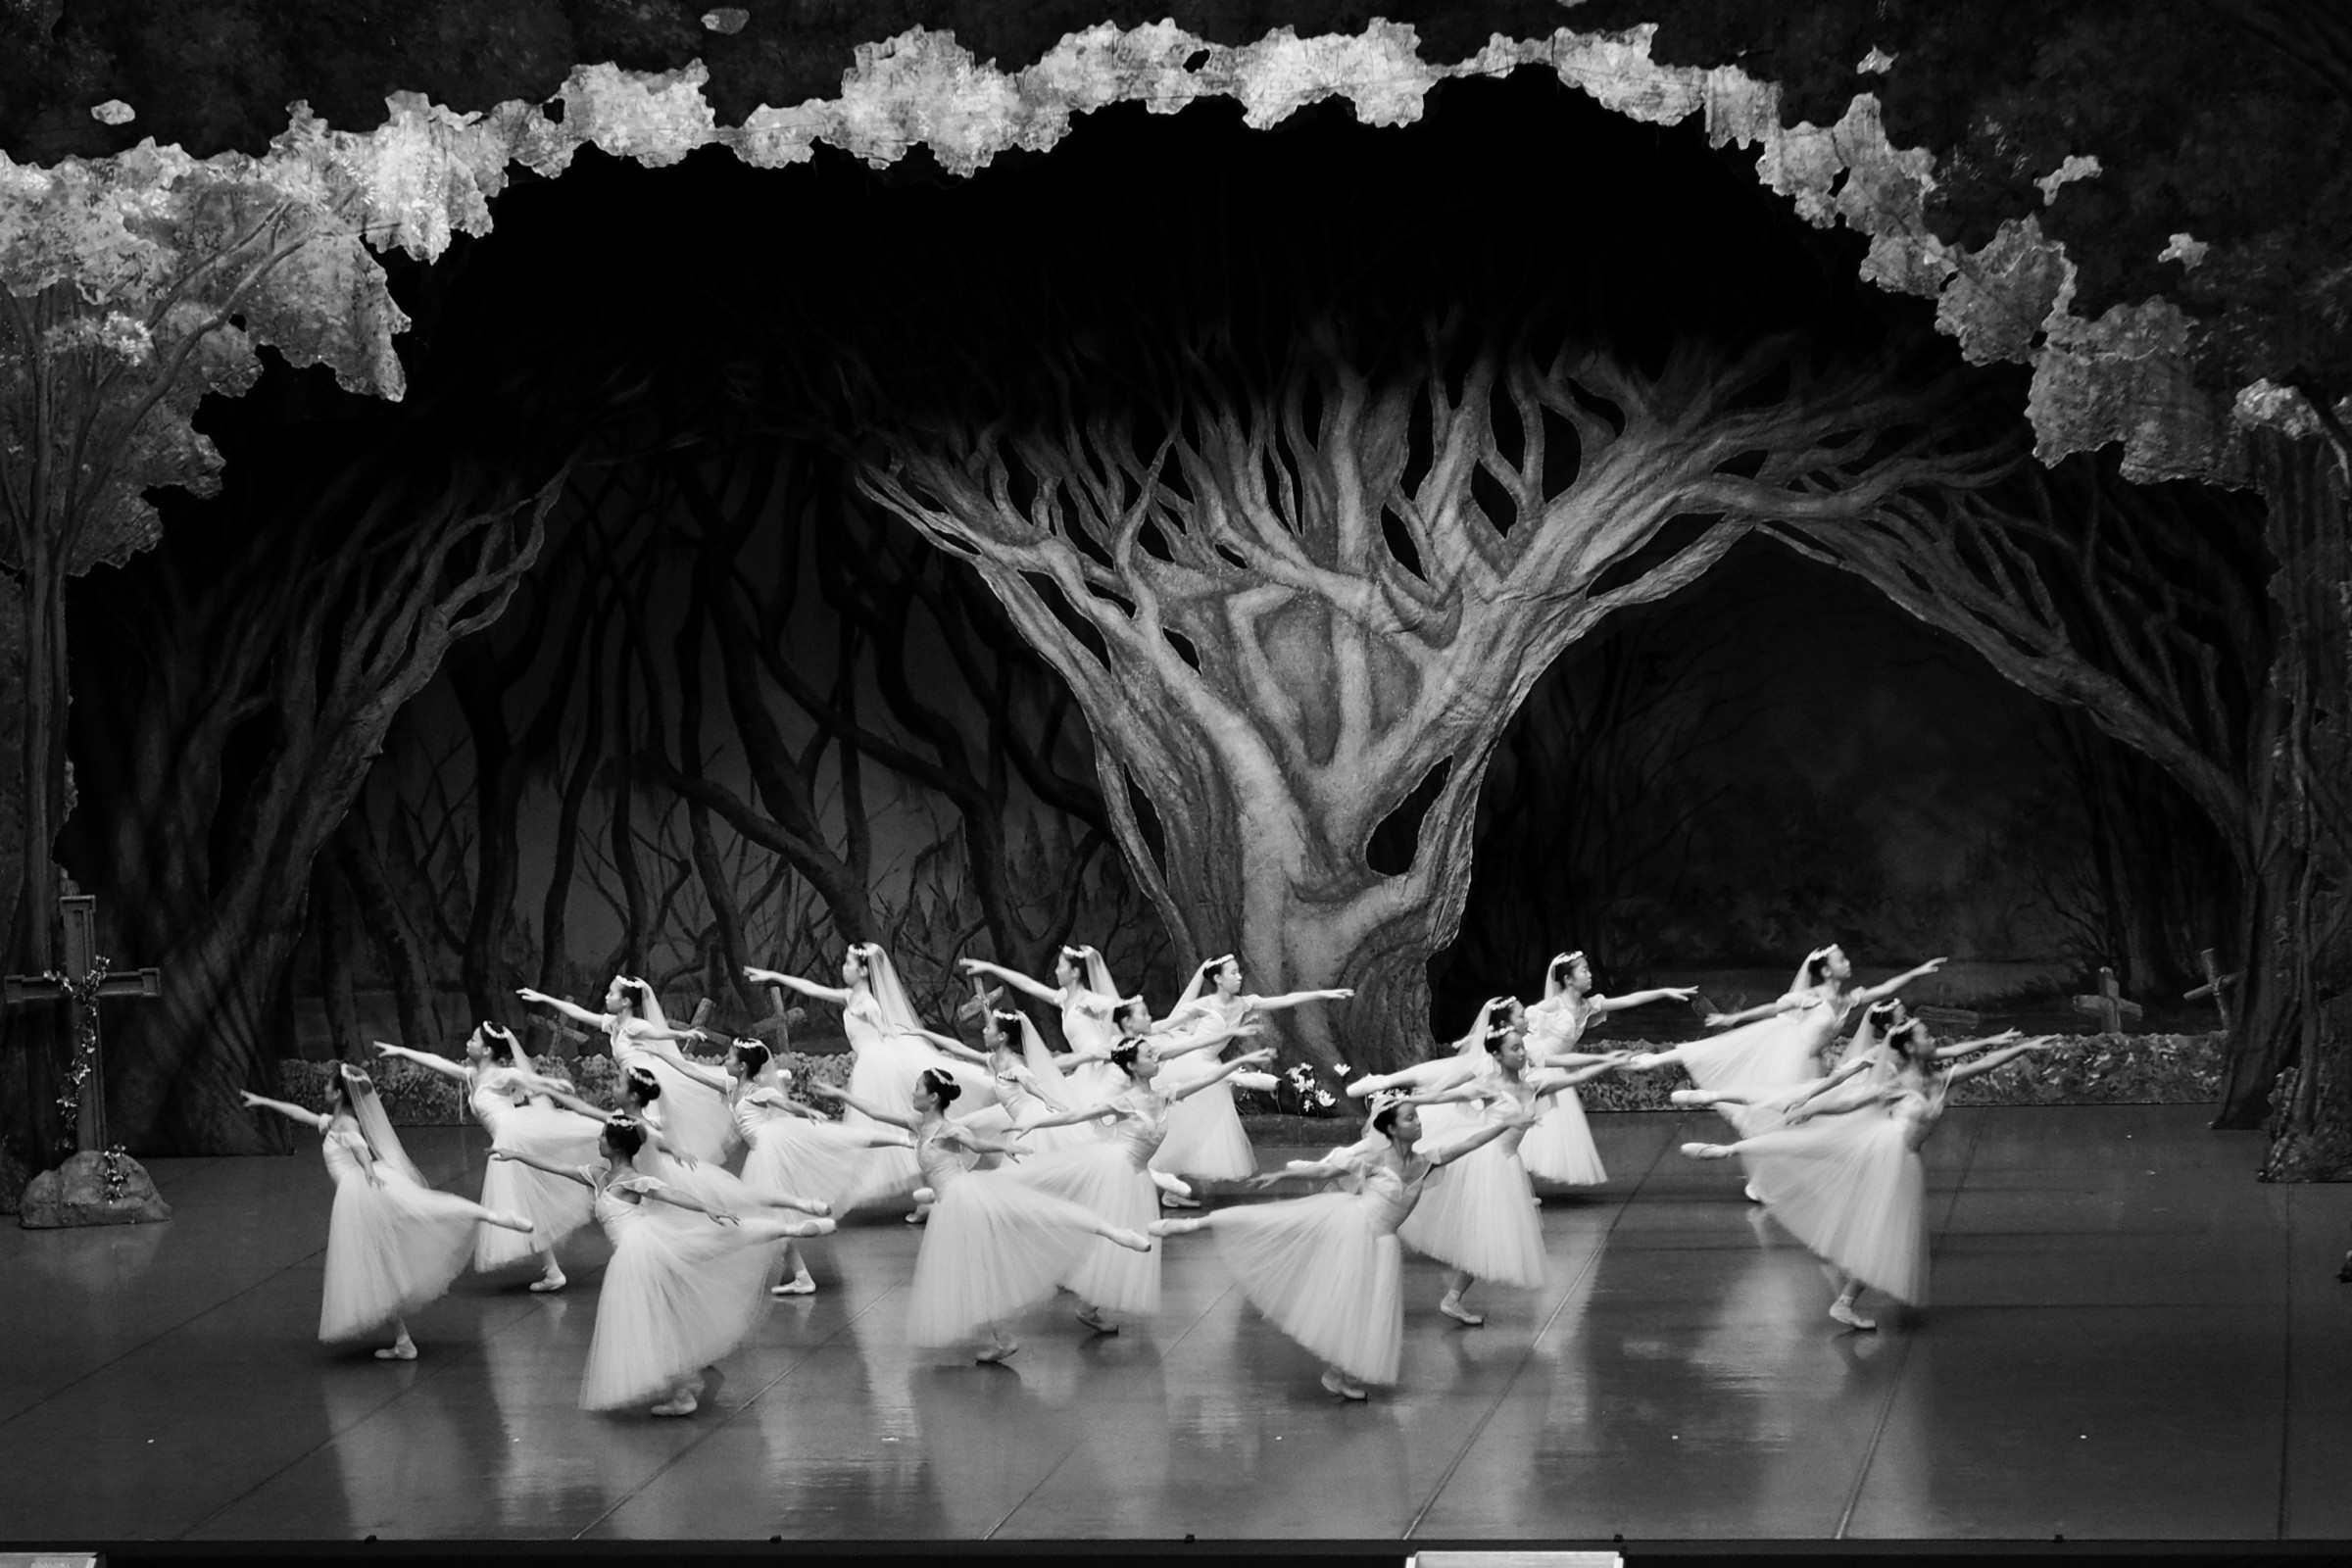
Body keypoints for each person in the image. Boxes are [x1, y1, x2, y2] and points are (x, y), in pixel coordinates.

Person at [1149, 1091, 1539, 1400]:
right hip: (1353, 1227)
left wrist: (1507, 1123)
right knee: (1274, 1223)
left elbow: (1471, 1141)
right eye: (1410, 1118)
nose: (1418, 1122)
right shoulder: (1374, 1159)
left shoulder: (1428, 1160)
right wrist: (1280, 1176)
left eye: (1417, 1117)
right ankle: (1193, 1224)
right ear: (1391, 1128)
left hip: (1382, 1243)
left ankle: (1338, 1373)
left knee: (1364, 1310)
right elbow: (1328, 1169)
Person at [1681, 1021, 2059, 1330]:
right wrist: (1812, 1108)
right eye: (1926, 1036)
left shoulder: (1942, 1078)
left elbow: (1987, 1063)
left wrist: (2027, 1046)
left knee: (1884, 1233)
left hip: (1904, 1161)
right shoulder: (1896, 1084)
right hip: (1883, 1152)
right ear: (1910, 1048)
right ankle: (1728, 1147)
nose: (1934, 1040)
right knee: (1820, 1156)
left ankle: (1844, 1299)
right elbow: (1851, 1100)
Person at [809, 1068, 1152, 1365]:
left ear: (933, 1097)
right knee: (979, 1267)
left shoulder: (948, 1130)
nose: (912, 1093)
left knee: (1035, 1216)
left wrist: (1003, 1146)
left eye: (917, 1089)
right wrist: (840, 1094)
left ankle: (1112, 1232)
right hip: (950, 1204)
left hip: (963, 1199)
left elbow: (974, 1143)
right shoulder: (917, 1123)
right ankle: (1003, 1337)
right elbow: (877, 1111)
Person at [494, 1114, 832, 1416]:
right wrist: (516, 1155)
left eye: (602, 1137)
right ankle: (788, 1230)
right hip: (644, 1246)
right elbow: (557, 1167)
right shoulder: (599, 1175)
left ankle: (682, 1392)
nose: (597, 1140)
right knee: (681, 1289)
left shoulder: (629, 1180)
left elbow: (668, 1193)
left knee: (657, 1318)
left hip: (639, 1253)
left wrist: (706, 1208)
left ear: (615, 1146)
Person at [241, 1063, 535, 1361]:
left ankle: (495, 1217)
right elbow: (301, 1115)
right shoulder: (335, 1122)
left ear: (339, 1093)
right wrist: (264, 1101)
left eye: (328, 1085)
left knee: (421, 1217)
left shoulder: (346, 1125)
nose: (324, 1089)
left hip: (361, 1193)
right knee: (389, 1257)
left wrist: (368, 1169)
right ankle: (403, 1341)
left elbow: (358, 1146)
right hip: (362, 1191)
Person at [1622, 946, 1947, 1198]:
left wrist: (1918, 971)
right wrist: (1734, 1018)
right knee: (1772, 1104)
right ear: (1825, 970)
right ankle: (1668, 1069)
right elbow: (1774, 1008)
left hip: (1811, 1063)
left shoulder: (1849, 999)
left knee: (1792, 1120)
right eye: (1841, 959)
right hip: (1789, 1054)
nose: (1848, 963)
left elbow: (1886, 987)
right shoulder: (1812, 996)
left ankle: (1763, 1179)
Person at [1005, 1034, 1278, 1334]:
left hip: (1138, 1178)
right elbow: (1077, 1116)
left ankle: (1089, 1306)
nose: (1156, 1058)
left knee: (1127, 1242)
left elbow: (1208, 1078)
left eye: (1154, 1053)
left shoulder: (1163, 1095)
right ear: (1133, 1066)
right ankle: (1064, 1280)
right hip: (1115, 1172)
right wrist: (1035, 1123)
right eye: (1149, 1055)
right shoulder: (1123, 1101)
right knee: (1106, 1236)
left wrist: (1242, 1060)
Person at [1394, 1024, 1626, 1326]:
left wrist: (1610, 1061)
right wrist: (1404, 1102)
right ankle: (1448, 1293)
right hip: (1484, 1163)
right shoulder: (1489, 1086)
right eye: (1514, 1048)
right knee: (1481, 1233)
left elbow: (1576, 1077)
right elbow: (1443, 1097)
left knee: (1487, 1238)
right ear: (1498, 1056)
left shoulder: (1533, 1085)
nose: (1522, 1053)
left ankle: (1452, 1299)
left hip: (1506, 1164)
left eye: (1522, 1047)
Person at [748, 949, 993, 1216]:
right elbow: (812, 988)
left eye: (849, 963)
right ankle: (929, 1194)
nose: (844, 967)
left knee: (890, 1125)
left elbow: (882, 1026)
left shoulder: (868, 1004)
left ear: (864, 970)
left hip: (878, 1066)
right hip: (869, 1064)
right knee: (895, 1128)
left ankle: (934, 1192)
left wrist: (887, 1031)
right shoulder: (849, 996)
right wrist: (773, 975)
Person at [372, 1025, 604, 1293]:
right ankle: (553, 1271)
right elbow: (439, 1063)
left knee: (582, 1135)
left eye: (473, 1039)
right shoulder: (473, 1075)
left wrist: (552, 1084)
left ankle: (628, 1131)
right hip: (506, 1140)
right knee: (527, 1204)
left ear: (486, 1050)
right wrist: (402, 1051)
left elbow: (524, 1078)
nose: (468, 1043)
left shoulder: (499, 1075)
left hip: (516, 1134)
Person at [726, 1037, 913, 1297]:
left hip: (772, 1146)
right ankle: (802, 1276)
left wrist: (806, 1111)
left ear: (742, 1066)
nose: (725, 1061)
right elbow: (693, 1072)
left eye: (729, 1057)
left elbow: (786, 1104)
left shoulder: (758, 1091)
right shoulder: (733, 1087)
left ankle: (904, 1140)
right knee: (773, 1218)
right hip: (762, 1152)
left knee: (839, 1139)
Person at [1519, 952, 1695, 1190]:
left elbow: (1630, 1000)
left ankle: (1521, 1186)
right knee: (1527, 1127)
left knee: (1543, 1132)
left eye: (1588, 969)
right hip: (1538, 1065)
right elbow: (1520, 1025)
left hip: (1560, 1066)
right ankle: (1514, 1181)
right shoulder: (1551, 1006)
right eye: (1584, 970)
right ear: (1568, 979)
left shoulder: (1588, 1005)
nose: (1590, 975)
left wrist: (1663, 992)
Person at [515, 976, 739, 1164]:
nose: (606, 997)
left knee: (645, 1138)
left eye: (611, 994)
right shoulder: (614, 1024)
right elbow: (579, 1013)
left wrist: (682, 1034)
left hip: (643, 1084)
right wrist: (544, 998)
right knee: (626, 1136)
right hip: (631, 1083)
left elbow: (658, 1034)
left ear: (625, 1002)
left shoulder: (635, 1025)